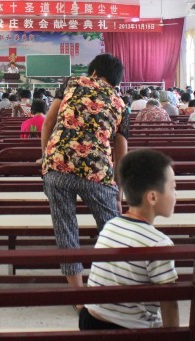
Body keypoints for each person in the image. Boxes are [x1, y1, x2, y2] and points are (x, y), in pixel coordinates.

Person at [41, 53, 129, 289]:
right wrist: (118, 192)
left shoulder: (71, 83)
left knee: (65, 229)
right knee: (112, 229)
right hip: (97, 171)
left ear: (94, 72)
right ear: (116, 81)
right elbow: (121, 150)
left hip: (57, 166)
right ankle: (111, 286)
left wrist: (46, 158)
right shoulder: (121, 104)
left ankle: (78, 295)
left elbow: (48, 123)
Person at [81, 149, 179, 330]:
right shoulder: (159, 243)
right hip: (127, 330)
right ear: (152, 197)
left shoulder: (110, 225)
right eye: (173, 188)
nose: (176, 194)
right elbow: (169, 301)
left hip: (89, 320)